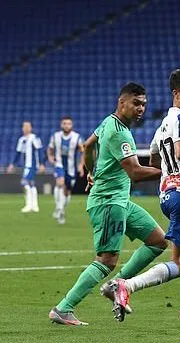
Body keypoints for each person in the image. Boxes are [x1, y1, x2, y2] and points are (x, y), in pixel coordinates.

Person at [103, 69, 180, 322]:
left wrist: (169, 176)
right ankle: (127, 286)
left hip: (169, 196)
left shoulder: (162, 126)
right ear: (176, 93)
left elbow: (154, 157)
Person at [49, 82, 168, 326]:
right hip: (108, 202)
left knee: (158, 241)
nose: (141, 109)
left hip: (121, 200)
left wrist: (90, 171)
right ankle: (63, 308)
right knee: (106, 260)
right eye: (136, 104)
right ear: (121, 103)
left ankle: (117, 286)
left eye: (144, 104)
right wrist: (169, 170)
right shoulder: (120, 133)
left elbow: (88, 145)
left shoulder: (108, 122)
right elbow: (135, 172)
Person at [47, 116, 84, 224]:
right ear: (61, 125)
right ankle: (58, 207)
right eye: (64, 123)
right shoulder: (55, 136)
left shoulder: (77, 137)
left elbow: (83, 152)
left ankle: (61, 210)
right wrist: (50, 158)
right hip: (59, 165)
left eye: (69, 124)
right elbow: (50, 149)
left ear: (71, 125)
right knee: (60, 182)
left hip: (71, 168)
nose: (66, 125)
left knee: (67, 192)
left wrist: (81, 165)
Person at [7, 121, 45, 213]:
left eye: (28, 126)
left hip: (32, 165)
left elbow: (39, 151)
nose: (26, 128)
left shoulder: (34, 138)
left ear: (31, 128)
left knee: (25, 182)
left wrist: (41, 163)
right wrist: (12, 164)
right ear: (22, 128)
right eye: (24, 126)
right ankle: (33, 206)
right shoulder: (21, 140)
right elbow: (18, 153)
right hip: (25, 166)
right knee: (30, 184)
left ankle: (30, 205)